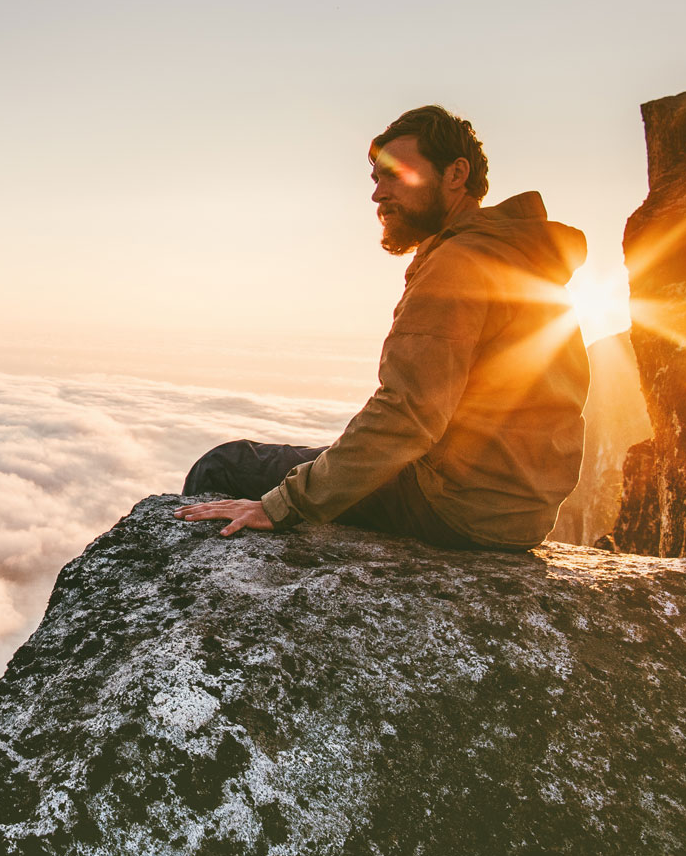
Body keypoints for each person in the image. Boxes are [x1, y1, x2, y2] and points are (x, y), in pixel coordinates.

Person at [175, 106, 590, 552]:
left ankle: (193, 603)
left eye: (396, 175)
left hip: (457, 505)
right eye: (375, 179)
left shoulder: (459, 263)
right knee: (317, 461)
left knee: (224, 466)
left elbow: (406, 415)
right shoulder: (516, 255)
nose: (378, 195)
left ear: (456, 174)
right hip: (513, 507)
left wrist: (281, 505)